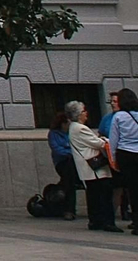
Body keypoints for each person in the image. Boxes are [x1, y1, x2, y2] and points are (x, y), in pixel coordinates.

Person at [66, 100, 119, 232]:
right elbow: (98, 143)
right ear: (78, 114)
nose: (86, 113)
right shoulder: (80, 128)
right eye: (83, 111)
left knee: (93, 195)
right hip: (94, 168)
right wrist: (106, 140)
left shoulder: (74, 127)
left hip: (88, 169)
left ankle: (95, 221)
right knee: (103, 195)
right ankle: (106, 222)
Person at [110, 88, 138, 235]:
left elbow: (114, 138)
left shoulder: (119, 116)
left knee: (132, 189)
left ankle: (136, 221)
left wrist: (113, 158)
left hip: (125, 154)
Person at [101, 91, 131, 222]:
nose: (112, 104)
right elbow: (101, 133)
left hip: (126, 154)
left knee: (129, 187)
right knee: (118, 186)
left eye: (115, 101)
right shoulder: (107, 118)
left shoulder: (127, 116)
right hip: (113, 156)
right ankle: (113, 214)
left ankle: (128, 211)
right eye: (111, 101)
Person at [48, 109, 79, 220]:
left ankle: (68, 207)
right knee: (69, 177)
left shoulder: (71, 133)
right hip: (63, 162)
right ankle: (69, 209)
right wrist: (70, 152)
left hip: (74, 162)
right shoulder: (54, 134)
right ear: (62, 124)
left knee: (69, 179)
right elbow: (57, 150)